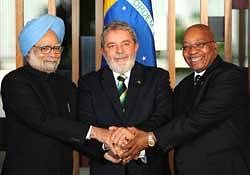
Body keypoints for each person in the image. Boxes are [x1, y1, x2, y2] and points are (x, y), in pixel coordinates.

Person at [119, 24, 250, 175]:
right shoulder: (183, 87)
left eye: (199, 45)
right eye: (186, 47)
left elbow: (198, 119)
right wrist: (132, 136)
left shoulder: (232, 77)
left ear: (214, 46)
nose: (192, 51)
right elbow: (167, 120)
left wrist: (149, 138)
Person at [0, 14, 116, 175]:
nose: (53, 54)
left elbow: (76, 128)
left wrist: (104, 151)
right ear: (28, 51)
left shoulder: (66, 86)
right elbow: (43, 121)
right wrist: (97, 132)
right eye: (45, 48)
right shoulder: (14, 81)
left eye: (56, 47)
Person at [77, 21, 173, 175]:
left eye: (125, 44)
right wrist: (105, 150)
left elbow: (164, 116)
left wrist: (134, 137)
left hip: (149, 169)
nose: (119, 51)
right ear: (103, 51)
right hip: (107, 169)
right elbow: (83, 125)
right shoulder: (89, 83)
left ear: (136, 47)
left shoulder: (157, 77)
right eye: (112, 45)